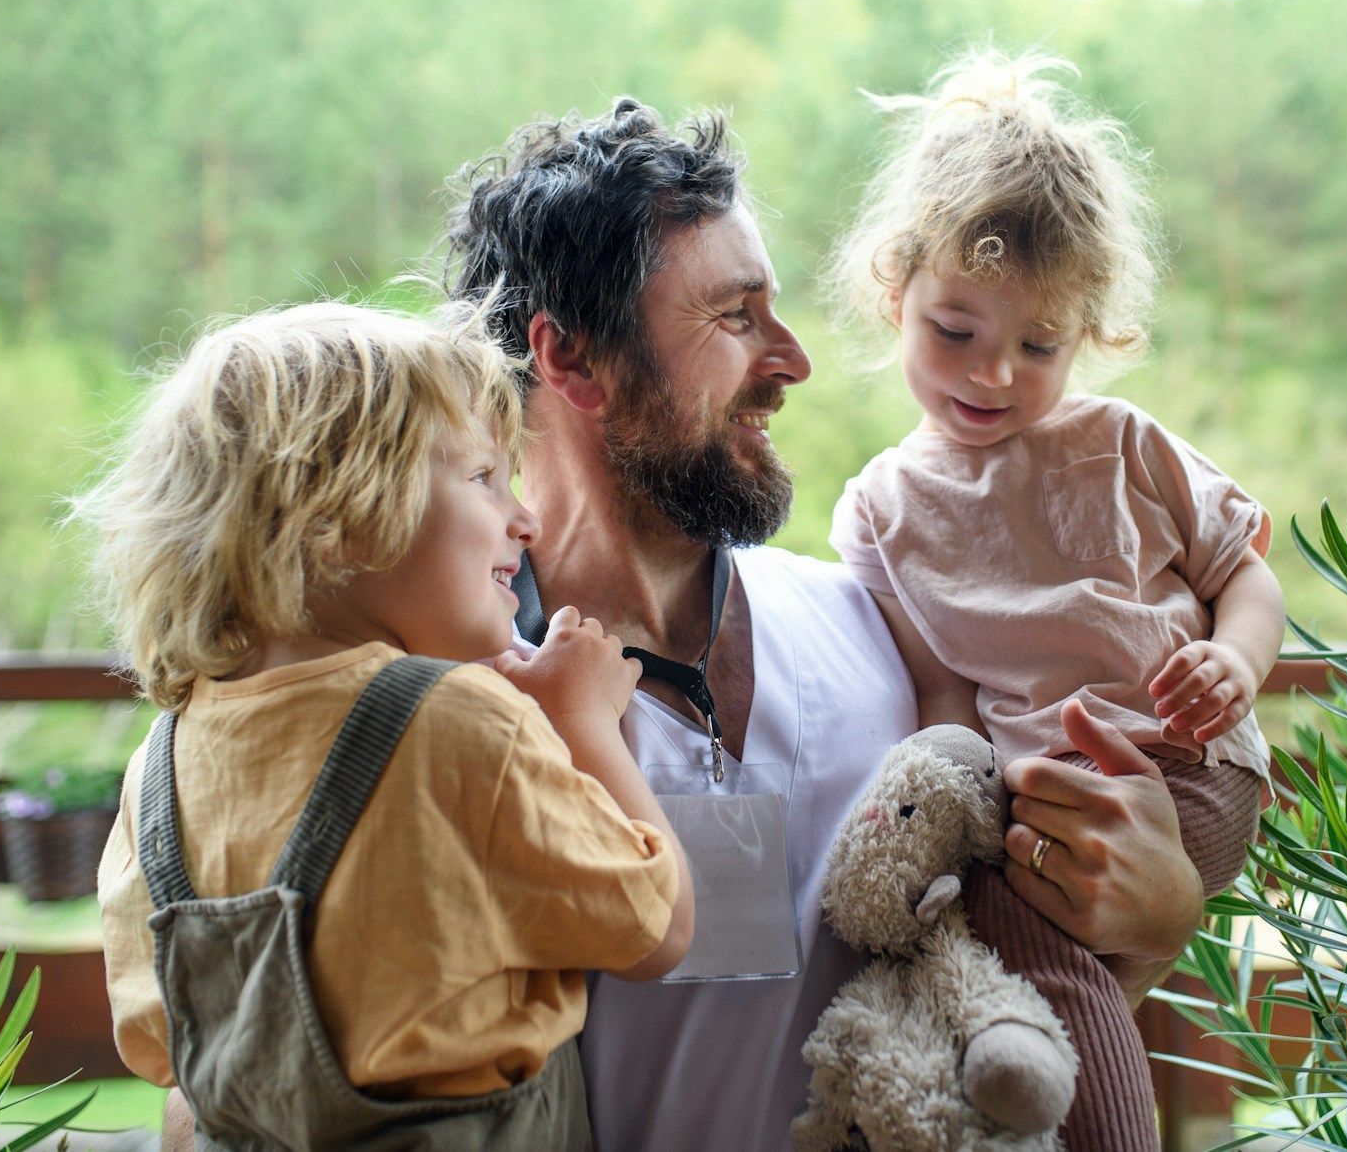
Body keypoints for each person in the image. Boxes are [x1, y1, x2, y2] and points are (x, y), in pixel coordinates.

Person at [162, 101, 1216, 1152]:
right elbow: (227, 1083)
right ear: (573, 361)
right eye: (735, 316)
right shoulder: (407, 713)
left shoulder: (884, 627)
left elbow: (1006, 998)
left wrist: (1163, 922)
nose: (793, 359)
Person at [86, 300, 693, 1149]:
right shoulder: (460, 723)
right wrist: (580, 720)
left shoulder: (161, 763)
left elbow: (162, 1043)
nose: (524, 518)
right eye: (483, 477)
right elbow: (657, 926)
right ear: (336, 519)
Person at [824, 51, 1281, 1150]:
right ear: (897, 296)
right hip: (1031, 791)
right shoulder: (881, 509)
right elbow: (944, 700)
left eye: (1038, 346)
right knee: (995, 937)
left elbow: (1246, 575)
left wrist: (1237, 662)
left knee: (1020, 933)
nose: (992, 375)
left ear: (1091, 335)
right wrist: (947, 827)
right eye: (957, 331)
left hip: (1181, 764)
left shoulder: (1122, 445)